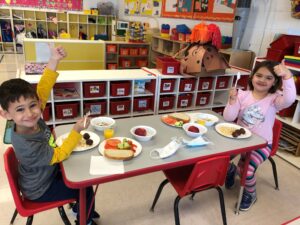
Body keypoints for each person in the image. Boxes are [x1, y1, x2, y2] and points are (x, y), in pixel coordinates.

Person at [0, 45, 99, 225]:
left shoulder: (29, 118)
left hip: (45, 173)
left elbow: (44, 86)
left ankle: (83, 208)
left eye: (33, 105)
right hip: (40, 189)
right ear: (7, 115)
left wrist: (54, 59)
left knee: (83, 176)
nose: (30, 113)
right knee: (84, 187)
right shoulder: (28, 146)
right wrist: (76, 131)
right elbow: (59, 154)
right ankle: (85, 219)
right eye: (20, 109)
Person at [223, 60, 296, 211]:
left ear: (275, 81)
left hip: (262, 144)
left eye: (268, 78)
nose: (262, 80)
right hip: (240, 141)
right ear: (252, 77)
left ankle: (250, 194)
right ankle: (230, 170)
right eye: (259, 75)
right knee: (218, 160)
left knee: (246, 171)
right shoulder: (242, 95)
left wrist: (287, 76)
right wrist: (232, 100)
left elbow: (289, 99)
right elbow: (229, 118)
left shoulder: (275, 99)